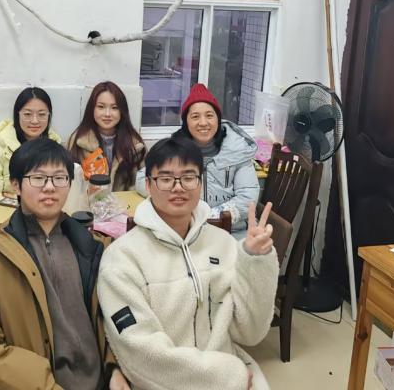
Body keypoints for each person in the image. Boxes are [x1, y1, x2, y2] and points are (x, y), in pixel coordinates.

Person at [0, 138, 130, 390]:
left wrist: (114, 366)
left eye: (60, 178)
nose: (50, 187)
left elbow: (121, 317)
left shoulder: (95, 248)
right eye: (38, 178)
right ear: (15, 185)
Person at [97, 137, 278, 390]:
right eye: (166, 178)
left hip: (231, 371)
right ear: (148, 185)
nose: (178, 187)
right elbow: (141, 352)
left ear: (201, 183)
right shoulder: (122, 258)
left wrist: (255, 261)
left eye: (189, 177)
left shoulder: (223, 244)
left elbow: (250, 332)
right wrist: (225, 376)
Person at [138, 83, 260, 235]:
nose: (203, 123)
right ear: (186, 122)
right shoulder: (176, 148)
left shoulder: (238, 150)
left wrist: (209, 217)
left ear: (218, 119)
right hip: (187, 230)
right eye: (195, 116)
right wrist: (176, 204)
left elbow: (248, 197)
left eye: (209, 115)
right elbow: (143, 179)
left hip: (233, 230)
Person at [0, 86, 62, 200]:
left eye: (41, 114)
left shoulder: (56, 149)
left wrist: (17, 198)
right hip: (4, 210)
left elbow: (60, 192)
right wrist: (21, 203)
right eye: (27, 114)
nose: (34, 121)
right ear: (17, 114)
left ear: (49, 116)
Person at [68, 81, 146, 191]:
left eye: (114, 107)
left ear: (122, 111)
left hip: (125, 201)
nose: (107, 114)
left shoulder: (135, 145)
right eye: (101, 107)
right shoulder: (77, 141)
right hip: (88, 201)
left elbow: (143, 184)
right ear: (92, 109)